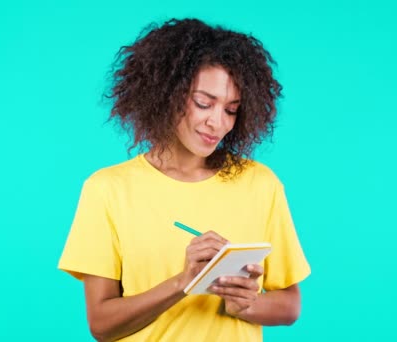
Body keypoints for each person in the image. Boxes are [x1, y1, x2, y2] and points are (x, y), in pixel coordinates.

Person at [58, 18, 311, 341]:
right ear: (166, 94)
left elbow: (290, 306)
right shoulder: (108, 189)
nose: (217, 123)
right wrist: (184, 282)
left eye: (231, 110)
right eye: (203, 103)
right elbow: (101, 324)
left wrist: (245, 304)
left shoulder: (260, 184)